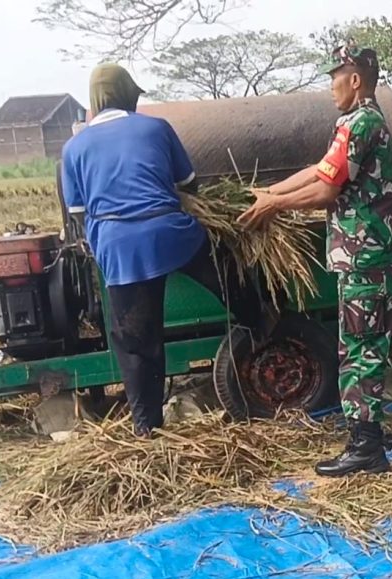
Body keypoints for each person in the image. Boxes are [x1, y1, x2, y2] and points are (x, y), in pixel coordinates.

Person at [239, 44, 392, 475]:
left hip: (364, 258)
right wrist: (272, 192)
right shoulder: (366, 121)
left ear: (355, 78)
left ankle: (366, 446)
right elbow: (320, 170)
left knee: (362, 347)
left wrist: (275, 208)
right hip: (387, 255)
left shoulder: (358, 121)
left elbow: (326, 191)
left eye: (335, 77)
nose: (330, 86)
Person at [60, 64, 267, 437]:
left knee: (137, 344)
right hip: (171, 233)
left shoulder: (74, 148)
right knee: (227, 267)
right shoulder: (155, 127)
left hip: (120, 250)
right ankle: (260, 320)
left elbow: (78, 212)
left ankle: (147, 430)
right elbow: (189, 183)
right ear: (126, 95)